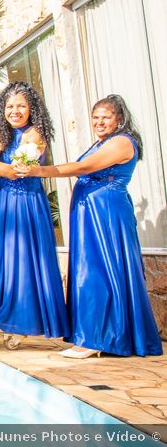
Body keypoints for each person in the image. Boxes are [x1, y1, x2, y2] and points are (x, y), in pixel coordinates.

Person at [14, 95, 162, 357]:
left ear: (119, 119)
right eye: (95, 117)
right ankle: (105, 335)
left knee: (98, 271)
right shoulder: (102, 142)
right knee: (90, 268)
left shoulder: (121, 142)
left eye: (106, 117)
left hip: (105, 213)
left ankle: (96, 339)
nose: (99, 122)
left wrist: (38, 171)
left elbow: (83, 166)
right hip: (90, 213)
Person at [0, 82, 68, 340]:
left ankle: (22, 319)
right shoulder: (3, 133)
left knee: (21, 257)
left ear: (32, 109)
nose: (15, 111)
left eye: (21, 106)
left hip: (25, 202)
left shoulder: (35, 135)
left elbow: (14, 171)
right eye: (9, 106)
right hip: (1, 200)